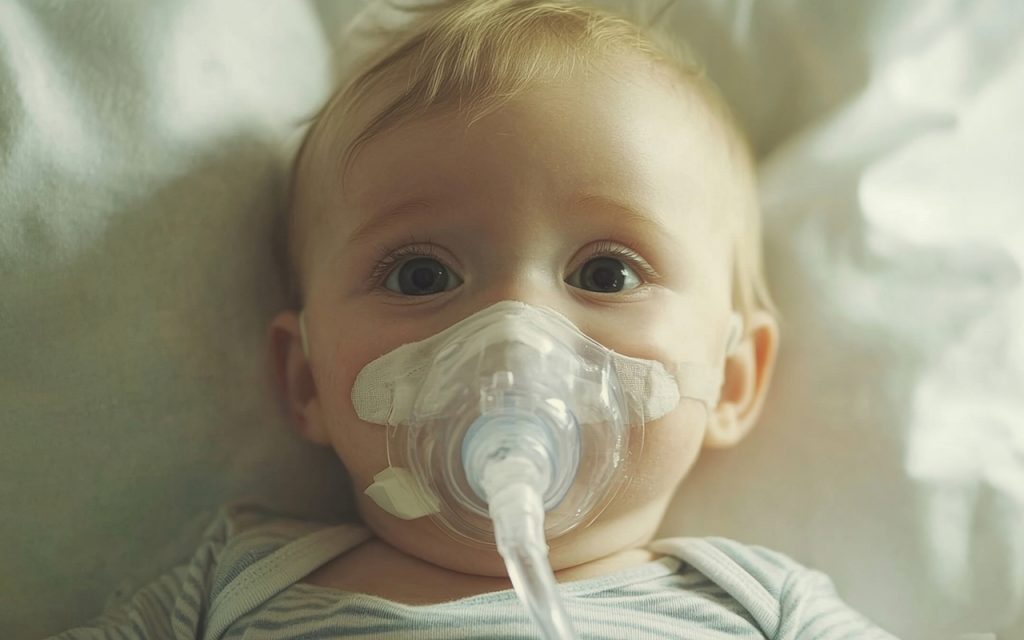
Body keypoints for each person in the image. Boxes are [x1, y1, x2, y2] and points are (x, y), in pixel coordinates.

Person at [54, 1, 899, 637]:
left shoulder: (763, 609)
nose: (516, 321)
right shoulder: (234, 588)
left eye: (606, 271)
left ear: (733, 381)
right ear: (307, 379)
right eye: (421, 274)